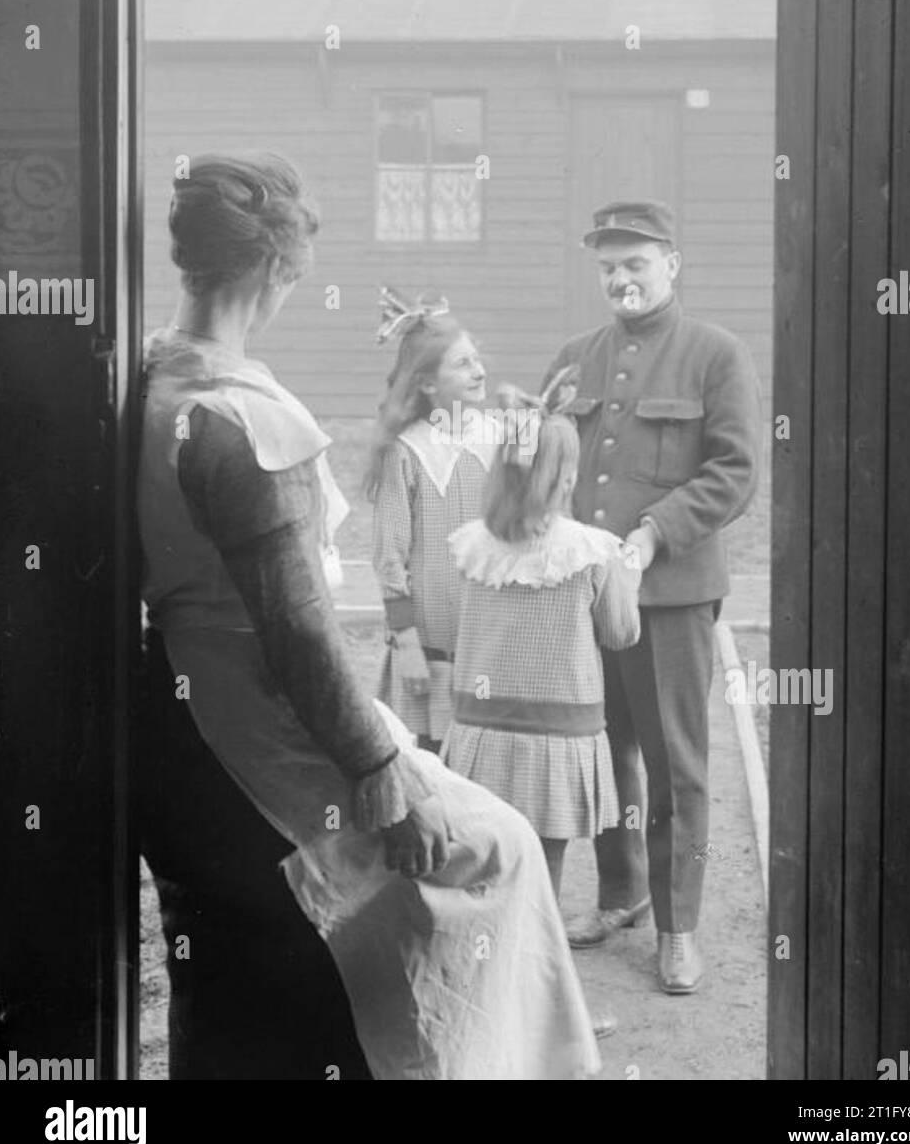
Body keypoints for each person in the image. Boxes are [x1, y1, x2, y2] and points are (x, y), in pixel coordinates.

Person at [138, 150, 599, 1079]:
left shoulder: (149, 378)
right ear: (276, 270)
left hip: (176, 717)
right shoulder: (241, 420)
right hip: (255, 726)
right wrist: (387, 771)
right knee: (497, 851)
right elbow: (300, 632)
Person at [542, 200, 761, 995]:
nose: (620, 279)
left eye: (635, 263)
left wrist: (651, 535)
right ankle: (620, 892)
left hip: (668, 595)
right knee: (597, 751)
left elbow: (735, 474)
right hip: (577, 596)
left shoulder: (716, 354)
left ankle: (678, 926)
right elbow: (546, 469)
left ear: (673, 263)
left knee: (675, 763)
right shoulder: (573, 358)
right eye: (607, 266)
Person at [441, 375, 640, 901]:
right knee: (541, 875)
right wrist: (630, 576)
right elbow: (620, 634)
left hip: (481, 733)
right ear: (566, 477)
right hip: (557, 736)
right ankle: (536, 969)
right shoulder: (591, 551)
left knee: (487, 867)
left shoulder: (471, 547)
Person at [368, 290, 495, 751]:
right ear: (426, 383)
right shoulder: (408, 451)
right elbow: (389, 556)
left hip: (491, 641)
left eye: (477, 359)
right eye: (462, 364)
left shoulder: (501, 439)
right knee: (430, 769)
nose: (478, 371)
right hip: (429, 646)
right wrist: (406, 644)